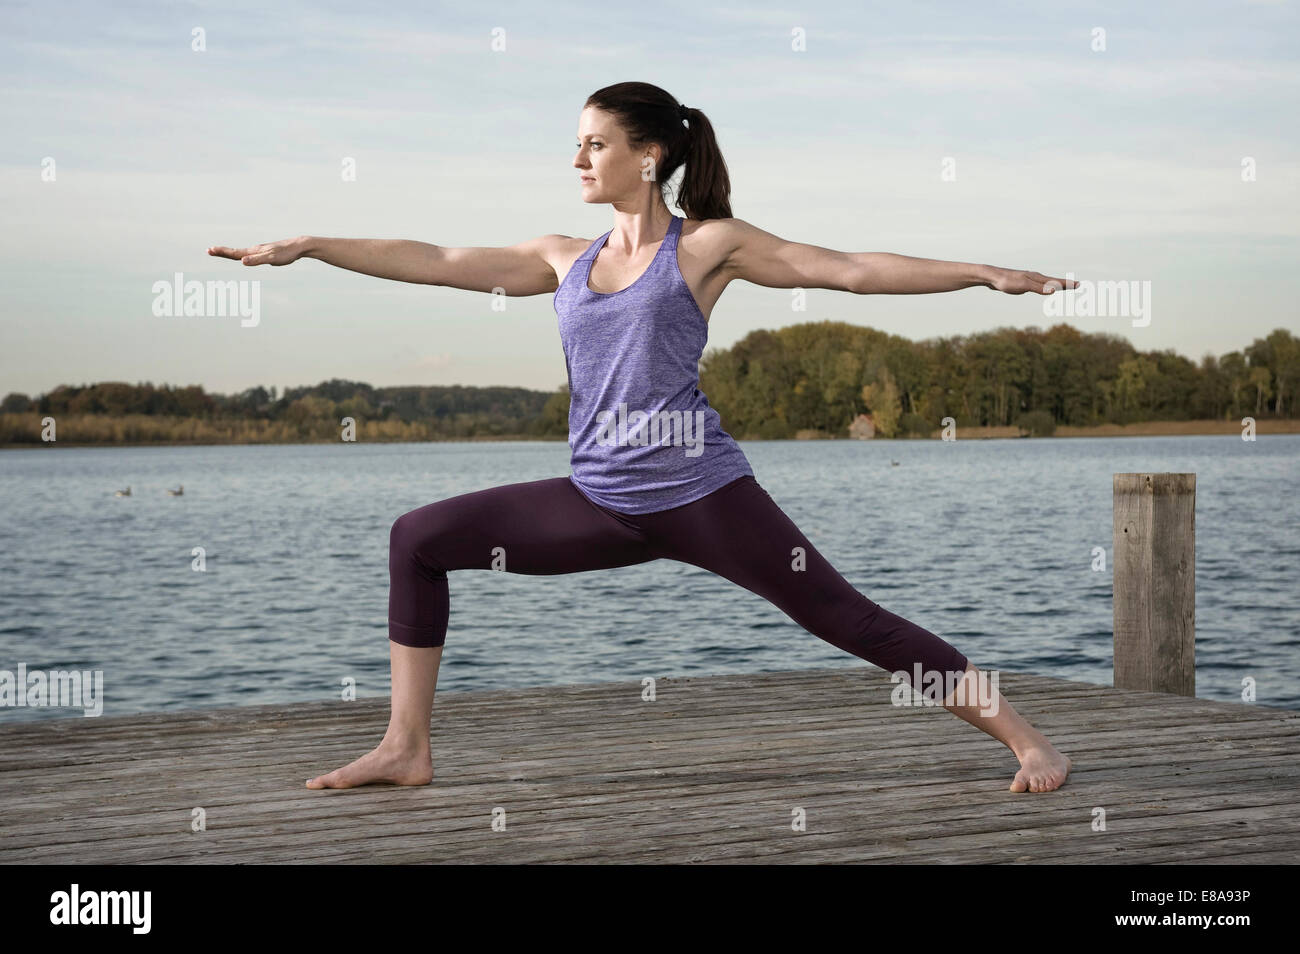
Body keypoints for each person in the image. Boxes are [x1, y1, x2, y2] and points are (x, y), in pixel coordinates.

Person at [209, 81, 1073, 794]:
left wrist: (982, 273)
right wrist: (314, 245)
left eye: (594, 144)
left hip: (704, 497)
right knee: (417, 539)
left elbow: (844, 269)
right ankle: (406, 747)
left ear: (648, 156)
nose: (578, 159)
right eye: (578, 144)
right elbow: (434, 258)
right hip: (599, 500)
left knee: (844, 617)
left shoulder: (708, 247)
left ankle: (1030, 742)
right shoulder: (560, 258)